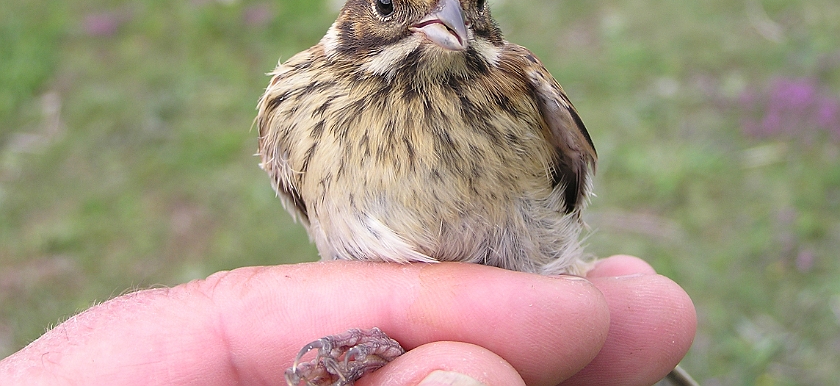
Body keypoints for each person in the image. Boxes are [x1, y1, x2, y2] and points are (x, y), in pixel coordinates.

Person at [0, 255, 695, 386]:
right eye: (395, 6)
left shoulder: (515, 87)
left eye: (468, 6)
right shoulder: (297, 99)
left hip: (532, 294)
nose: (445, 21)